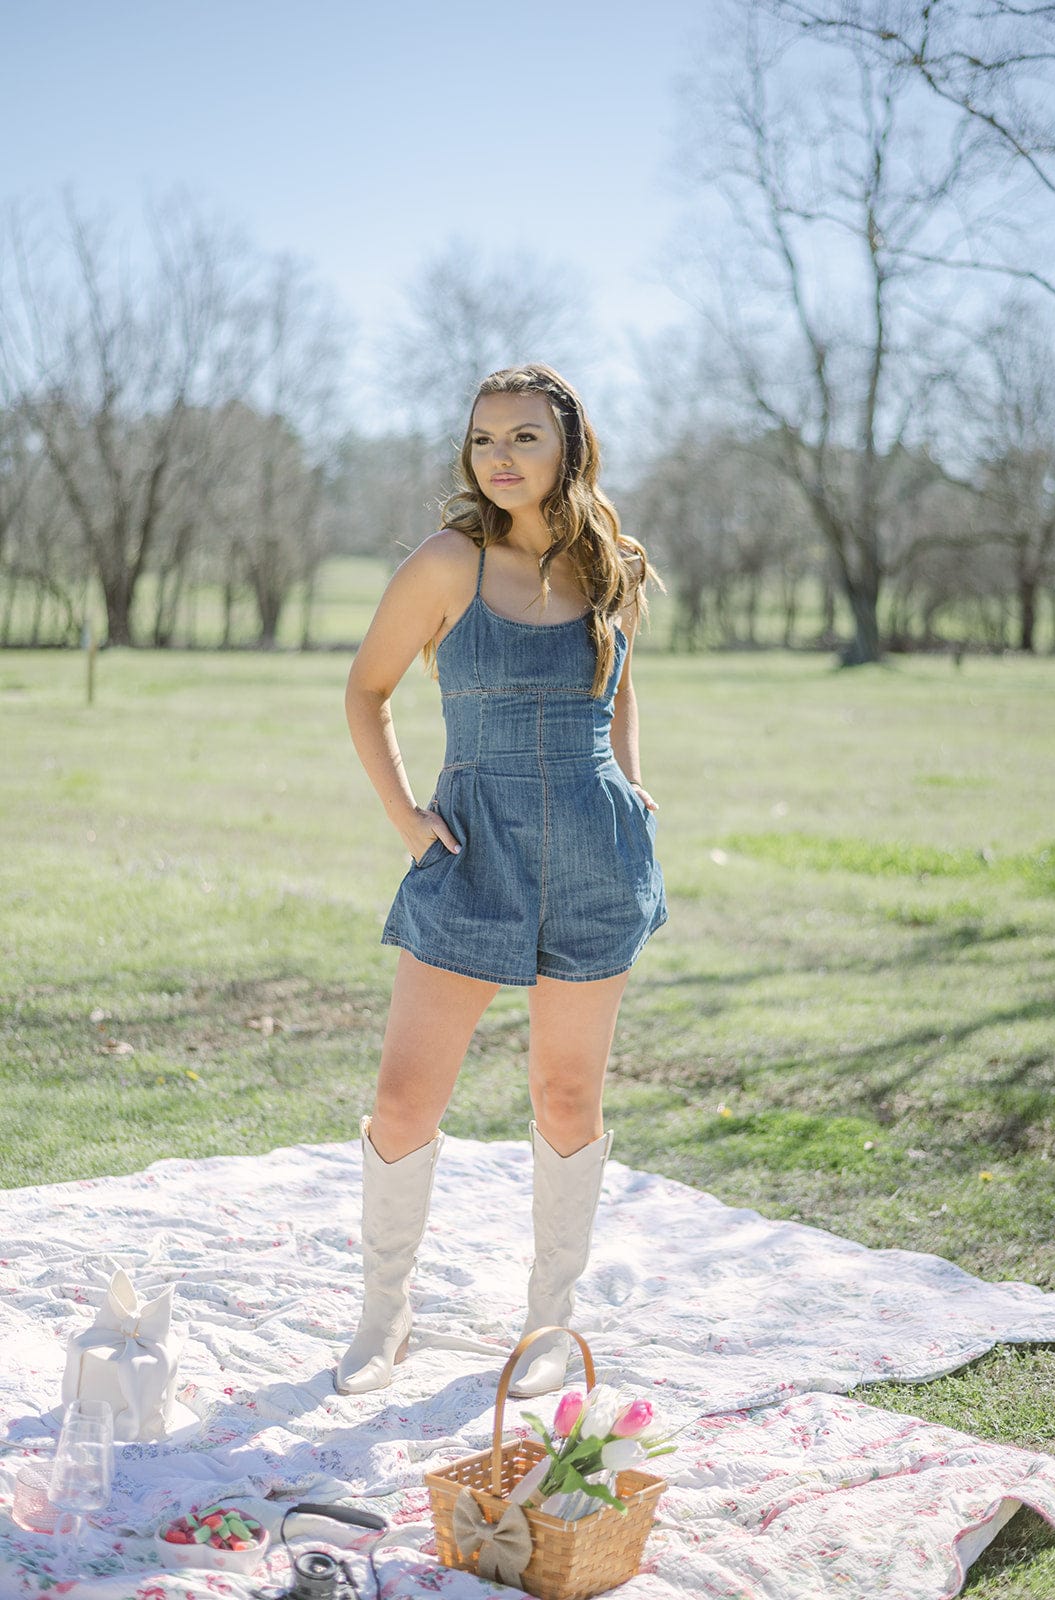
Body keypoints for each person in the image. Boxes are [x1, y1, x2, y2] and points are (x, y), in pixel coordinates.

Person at [338, 363, 667, 1399]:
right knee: (403, 1101)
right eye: (484, 439)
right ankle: (383, 1316)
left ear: (567, 445)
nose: (501, 459)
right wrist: (406, 816)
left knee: (567, 1096)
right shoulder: (448, 562)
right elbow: (368, 689)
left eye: (524, 437)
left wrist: (632, 779)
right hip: (470, 849)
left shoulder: (603, 560)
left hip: (593, 857)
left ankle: (547, 1328)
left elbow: (617, 681)